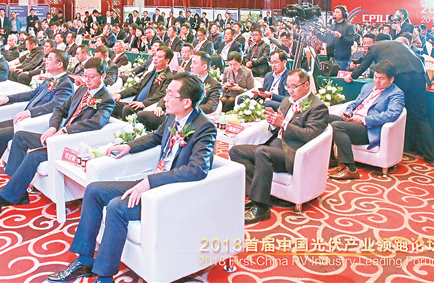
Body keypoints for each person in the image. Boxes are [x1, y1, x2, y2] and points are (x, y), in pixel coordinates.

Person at [46, 73, 216, 283]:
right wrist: (128, 146)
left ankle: (104, 277)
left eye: (170, 95)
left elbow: (197, 169)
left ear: (187, 102)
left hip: (169, 192)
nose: (164, 99)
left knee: (118, 206)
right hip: (153, 182)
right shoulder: (173, 116)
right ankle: (85, 260)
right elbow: (156, 137)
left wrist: (150, 182)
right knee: (94, 190)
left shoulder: (205, 127)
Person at [0, 58, 115, 221]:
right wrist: (53, 127)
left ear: (103, 76)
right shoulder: (82, 91)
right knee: (20, 136)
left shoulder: (106, 99)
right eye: (85, 76)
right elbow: (60, 109)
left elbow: (97, 122)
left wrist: (66, 130)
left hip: (72, 143)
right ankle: (19, 191)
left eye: (92, 77)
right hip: (57, 137)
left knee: (34, 155)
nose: (87, 80)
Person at [0, 50, 74, 186]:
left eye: (50, 59)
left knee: (1, 133)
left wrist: (30, 113)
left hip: (36, 123)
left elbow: (55, 105)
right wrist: (8, 98)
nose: (45, 61)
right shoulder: (50, 80)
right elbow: (31, 94)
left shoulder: (65, 84)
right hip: (26, 120)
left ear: (59, 64)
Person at [229, 69, 329, 223]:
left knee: (262, 152)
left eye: (294, 87)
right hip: (275, 146)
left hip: (294, 153)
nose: (290, 91)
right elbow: (276, 129)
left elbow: (309, 135)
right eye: (288, 86)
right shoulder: (286, 101)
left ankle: (261, 207)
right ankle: (258, 194)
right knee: (236, 151)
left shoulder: (317, 107)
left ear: (306, 85)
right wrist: (273, 123)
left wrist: (284, 124)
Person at [347, 33, 434, 166]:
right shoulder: (400, 44)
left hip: (401, 76)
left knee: (394, 111)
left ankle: (394, 149)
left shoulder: (375, 47)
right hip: (419, 76)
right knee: (420, 117)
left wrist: (351, 76)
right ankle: (431, 156)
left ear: (375, 42)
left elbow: (363, 66)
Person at [329, 61, 405, 180]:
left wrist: (364, 119)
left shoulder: (396, 94)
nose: (377, 81)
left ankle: (350, 169)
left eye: (381, 78)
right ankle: (331, 159)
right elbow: (354, 103)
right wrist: (349, 112)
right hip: (353, 121)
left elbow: (391, 115)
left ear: (391, 79)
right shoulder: (368, 87)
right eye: (375, 77)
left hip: (368, 128)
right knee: (324, 117)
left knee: (337, 126)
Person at [137, 51, 222, 131]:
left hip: (189, 120)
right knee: (141, 116)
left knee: (143, 116)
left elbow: (211, 106)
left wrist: (186, 109)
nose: (191, 66)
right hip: (171, 115)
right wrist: (159, 107)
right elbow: (169, 94)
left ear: (204, 67)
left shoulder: (214, 85)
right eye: (191, 63)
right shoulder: (187, 79)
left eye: (194, 63)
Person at [112, 46, 174, 120]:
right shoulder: (150, 73)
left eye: (159, 57)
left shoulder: (169, 77)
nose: (155, 58)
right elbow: (137, 87)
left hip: (147, 107)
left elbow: (162, 94)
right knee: (113, 103)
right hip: (136, 103)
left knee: (127, 109)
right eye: (155, 56)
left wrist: (143, 104)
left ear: (167, 60)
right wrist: (120, 94)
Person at [318, 5, 355, 71]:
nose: (335, 14)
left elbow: (351, 41)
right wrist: (317, 34)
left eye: (337, 12)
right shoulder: (332, 26)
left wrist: (341, 36)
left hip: (342, 59)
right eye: (334, 12)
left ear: (343, 14)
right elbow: (326, 39)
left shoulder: (349, 26)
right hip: (331, 57)